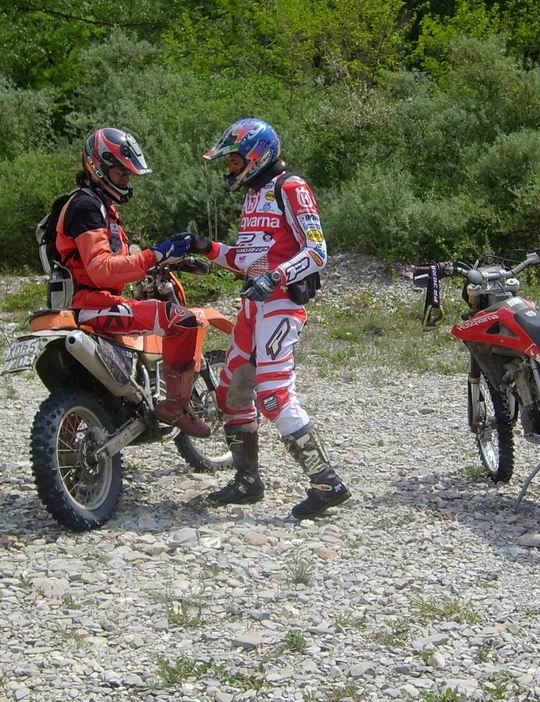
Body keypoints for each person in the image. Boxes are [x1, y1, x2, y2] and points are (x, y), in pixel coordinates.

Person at [188, 117, 351, 519]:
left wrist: (276, 277)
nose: (230, 168)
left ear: (257, 155)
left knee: (274, 395)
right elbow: (247, 261)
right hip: (253, 305)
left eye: (234, 160)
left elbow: (317, 251)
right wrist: (206, 248)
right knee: (230, 390)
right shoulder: (254, 195)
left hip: (280, 304)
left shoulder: (290, 188)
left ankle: (326, 483)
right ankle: (247, 481)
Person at [54, 127, 210, 437]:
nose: (126, 180)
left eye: (129, 174)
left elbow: (110, 265)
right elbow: (101, 270)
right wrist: (154, 256)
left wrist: (154, 261)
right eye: (121, 173)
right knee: (184, 321)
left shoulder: (99, 206)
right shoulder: (87, 207)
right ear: (97, 167)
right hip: (91, 305)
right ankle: (175, 407)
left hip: (90, 302)